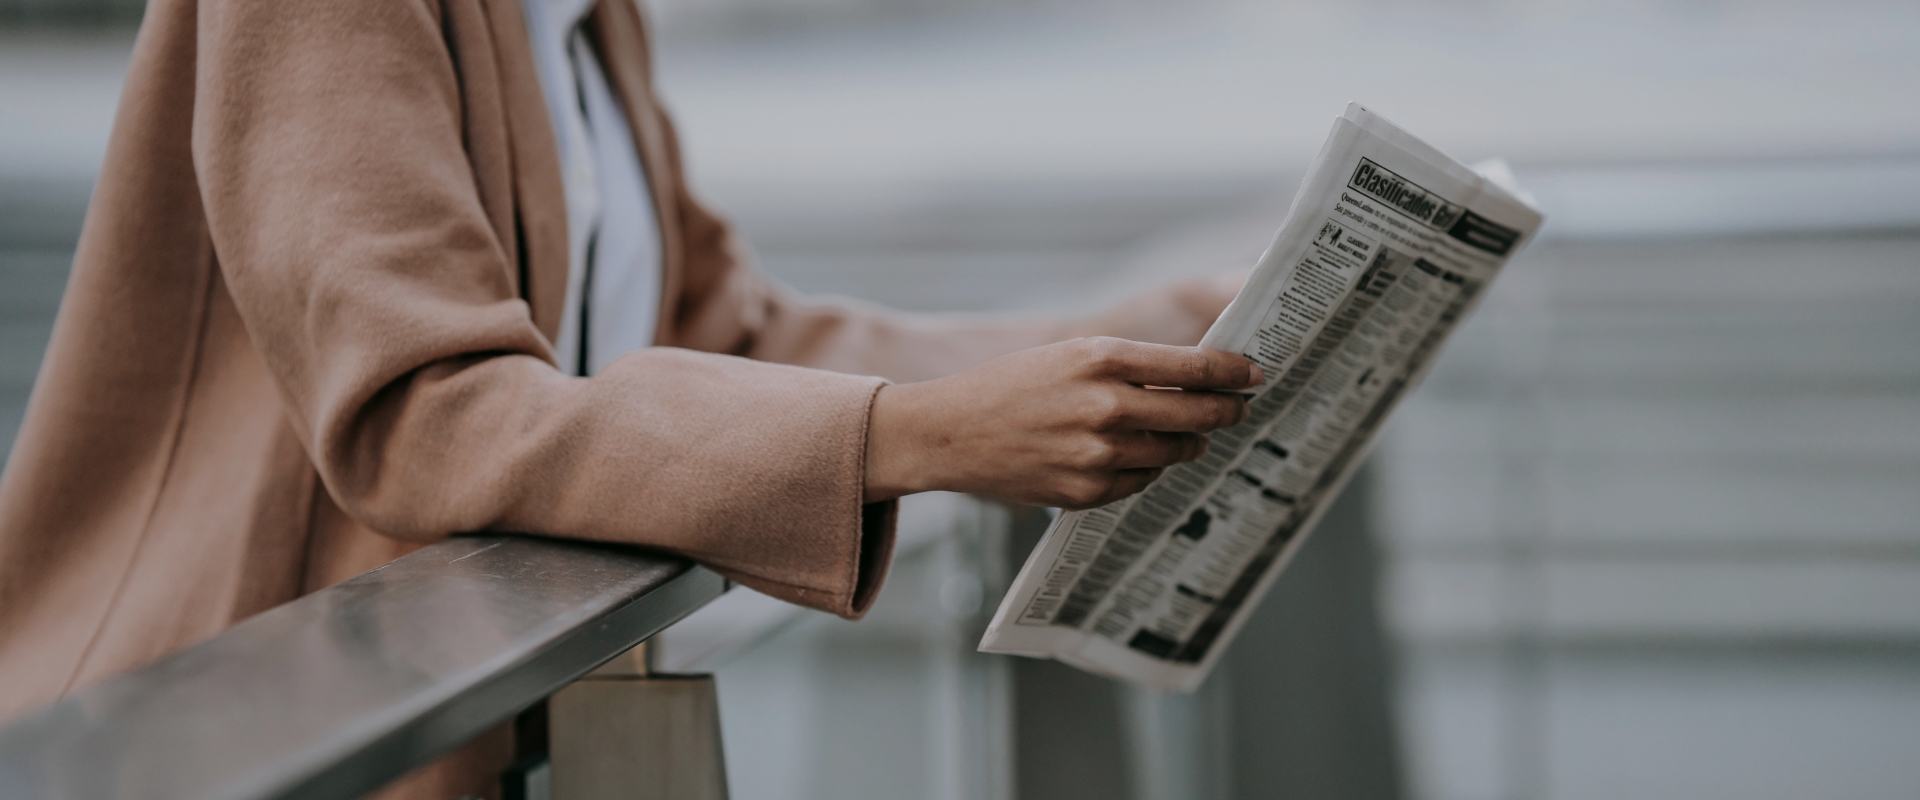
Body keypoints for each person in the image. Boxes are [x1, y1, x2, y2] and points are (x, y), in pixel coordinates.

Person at [0, 0, 1257, 795]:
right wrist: (921, 438)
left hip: (480, 726)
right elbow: (424, 409)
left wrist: (1163, 329)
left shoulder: (587, 18)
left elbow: (733, 329)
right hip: (256, 732)